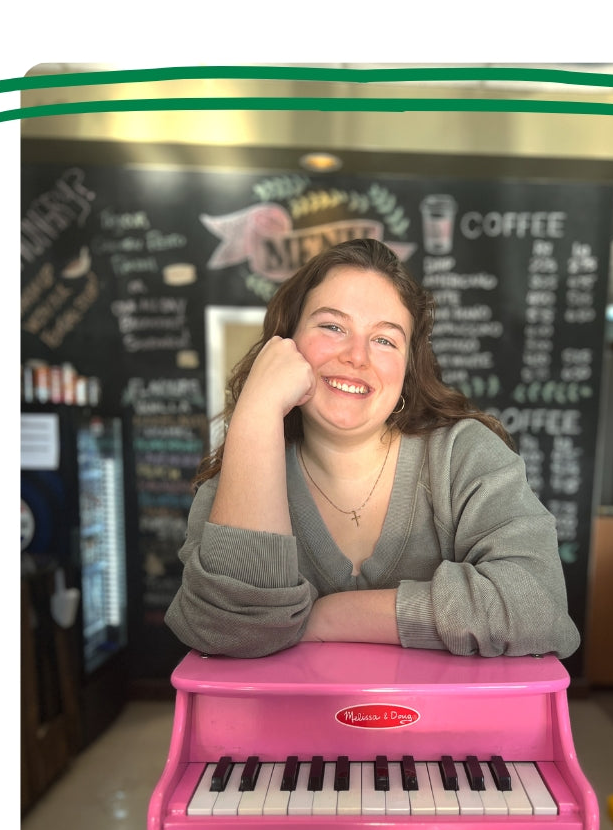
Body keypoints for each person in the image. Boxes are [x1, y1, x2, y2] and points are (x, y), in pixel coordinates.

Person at [165, 238, 580, 660]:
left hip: (449, 726)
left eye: (384, 340)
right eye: (332, 327)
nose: (357, 357)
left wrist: (331, 618)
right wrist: (257, 413)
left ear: (408, 368)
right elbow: (228, 632)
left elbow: (539, 606)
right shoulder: (241, 467)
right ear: (286, 343)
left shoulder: (464, 456)